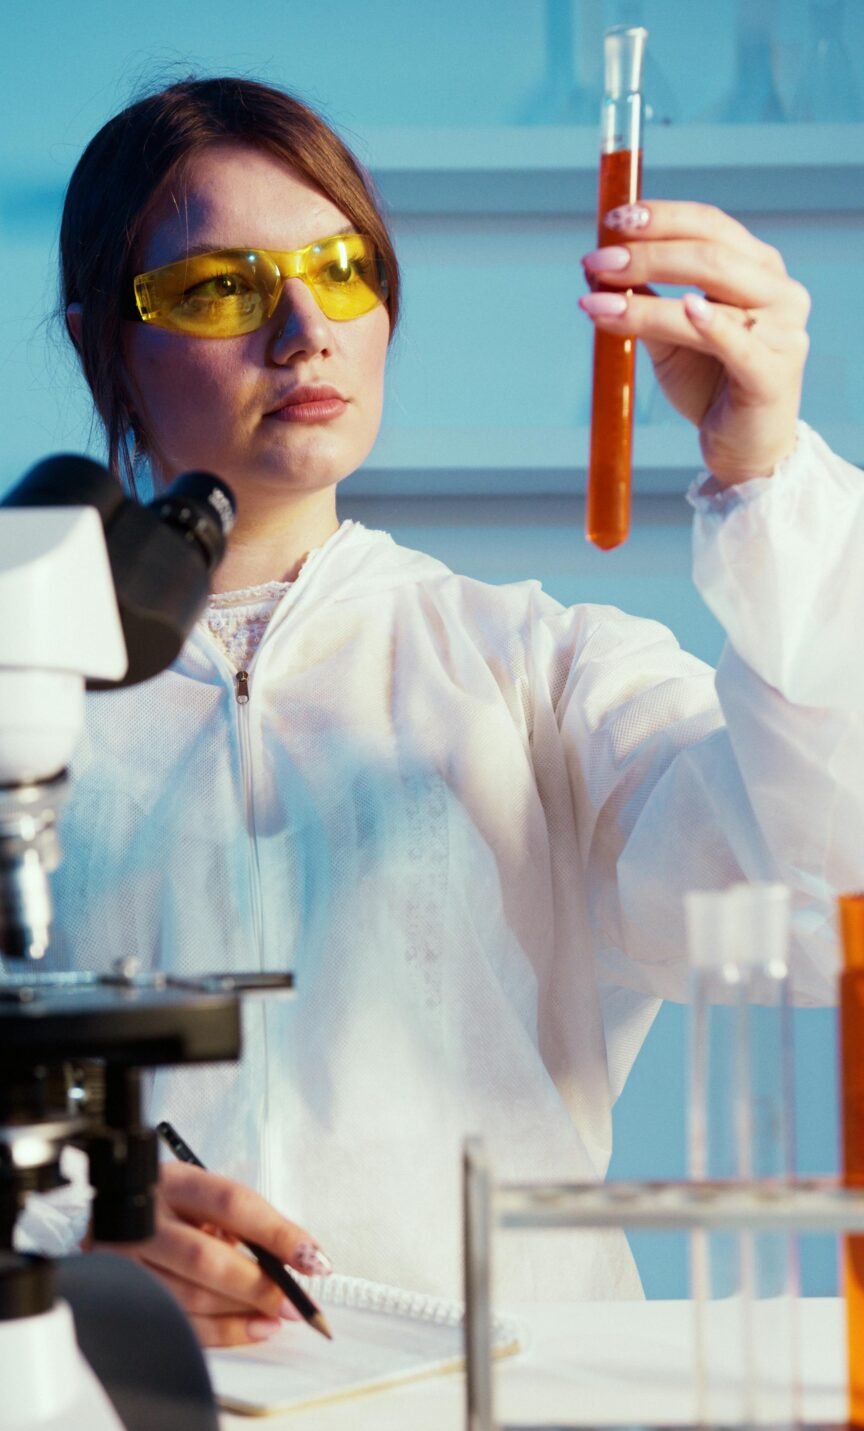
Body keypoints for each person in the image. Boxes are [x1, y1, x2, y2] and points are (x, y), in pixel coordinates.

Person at [20, 74, 863, 1348]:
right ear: (105, 345)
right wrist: (61, 1223)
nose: (303, 327)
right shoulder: (26, 687)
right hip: (129, 1419)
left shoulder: (538, 667)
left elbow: (816, 906)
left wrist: (766, 479)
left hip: (488, 1425)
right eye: (218, 287)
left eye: (339, 267)